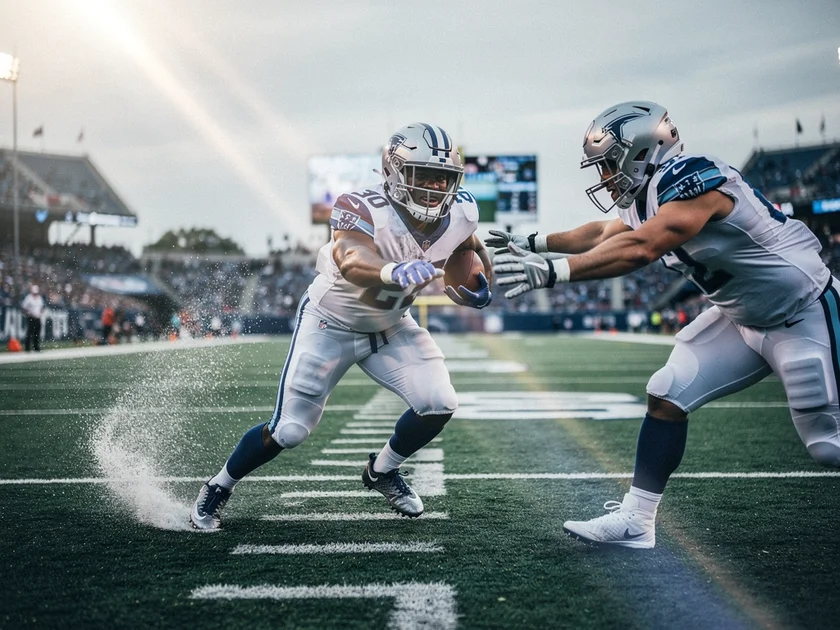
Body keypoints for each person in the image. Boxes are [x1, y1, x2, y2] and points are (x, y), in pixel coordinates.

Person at [488, 101, 840, 549]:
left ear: (642, 152)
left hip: (804, 312)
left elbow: (643, 247)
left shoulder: (689, 176)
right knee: (667, 392)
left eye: (608, 164)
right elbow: (603, 233)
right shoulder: (648, 194)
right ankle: (637, 521)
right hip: (741, 319)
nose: (604, 177)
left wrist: (556, 272)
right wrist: (535, 241)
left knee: (828, 445)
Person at [190, 122, 492, 530]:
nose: (436, 188)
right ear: (395, 171)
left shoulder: (461, 212)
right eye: (424, 176)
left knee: (439, 401)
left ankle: (382, 471)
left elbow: (467, 245)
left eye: (444, 178)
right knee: (289, 430)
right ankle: (219, 486)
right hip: (330, 323)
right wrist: (390, 270)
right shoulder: (362, 206)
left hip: (391, 327)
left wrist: (477, 282)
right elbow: (350, 257)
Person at [21, 285, 45, 352]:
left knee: (37, 333)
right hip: (31, 317)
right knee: (29, 332)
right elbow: (23, 308)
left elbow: (42, 307)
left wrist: (41, 312)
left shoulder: (39, 298)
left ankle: (36, 347)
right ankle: (27, 347)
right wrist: (28, 313)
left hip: (37, 317)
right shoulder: (28, 298)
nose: (35, 294)